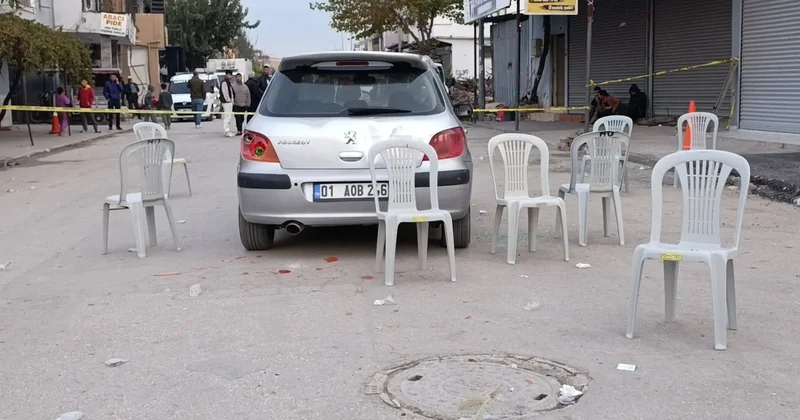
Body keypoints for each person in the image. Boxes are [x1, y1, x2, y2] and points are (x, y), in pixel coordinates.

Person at [219, 70, 235, 137]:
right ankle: (226, 131)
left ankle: (227, 130)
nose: (230, 76)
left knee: (228, 117)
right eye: (229, 75)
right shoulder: (224, 83)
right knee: (227, 117)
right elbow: (225, 93)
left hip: (228, 102)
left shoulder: (228, 82)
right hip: (227, 102)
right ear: (226, 75)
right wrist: (229, 101)